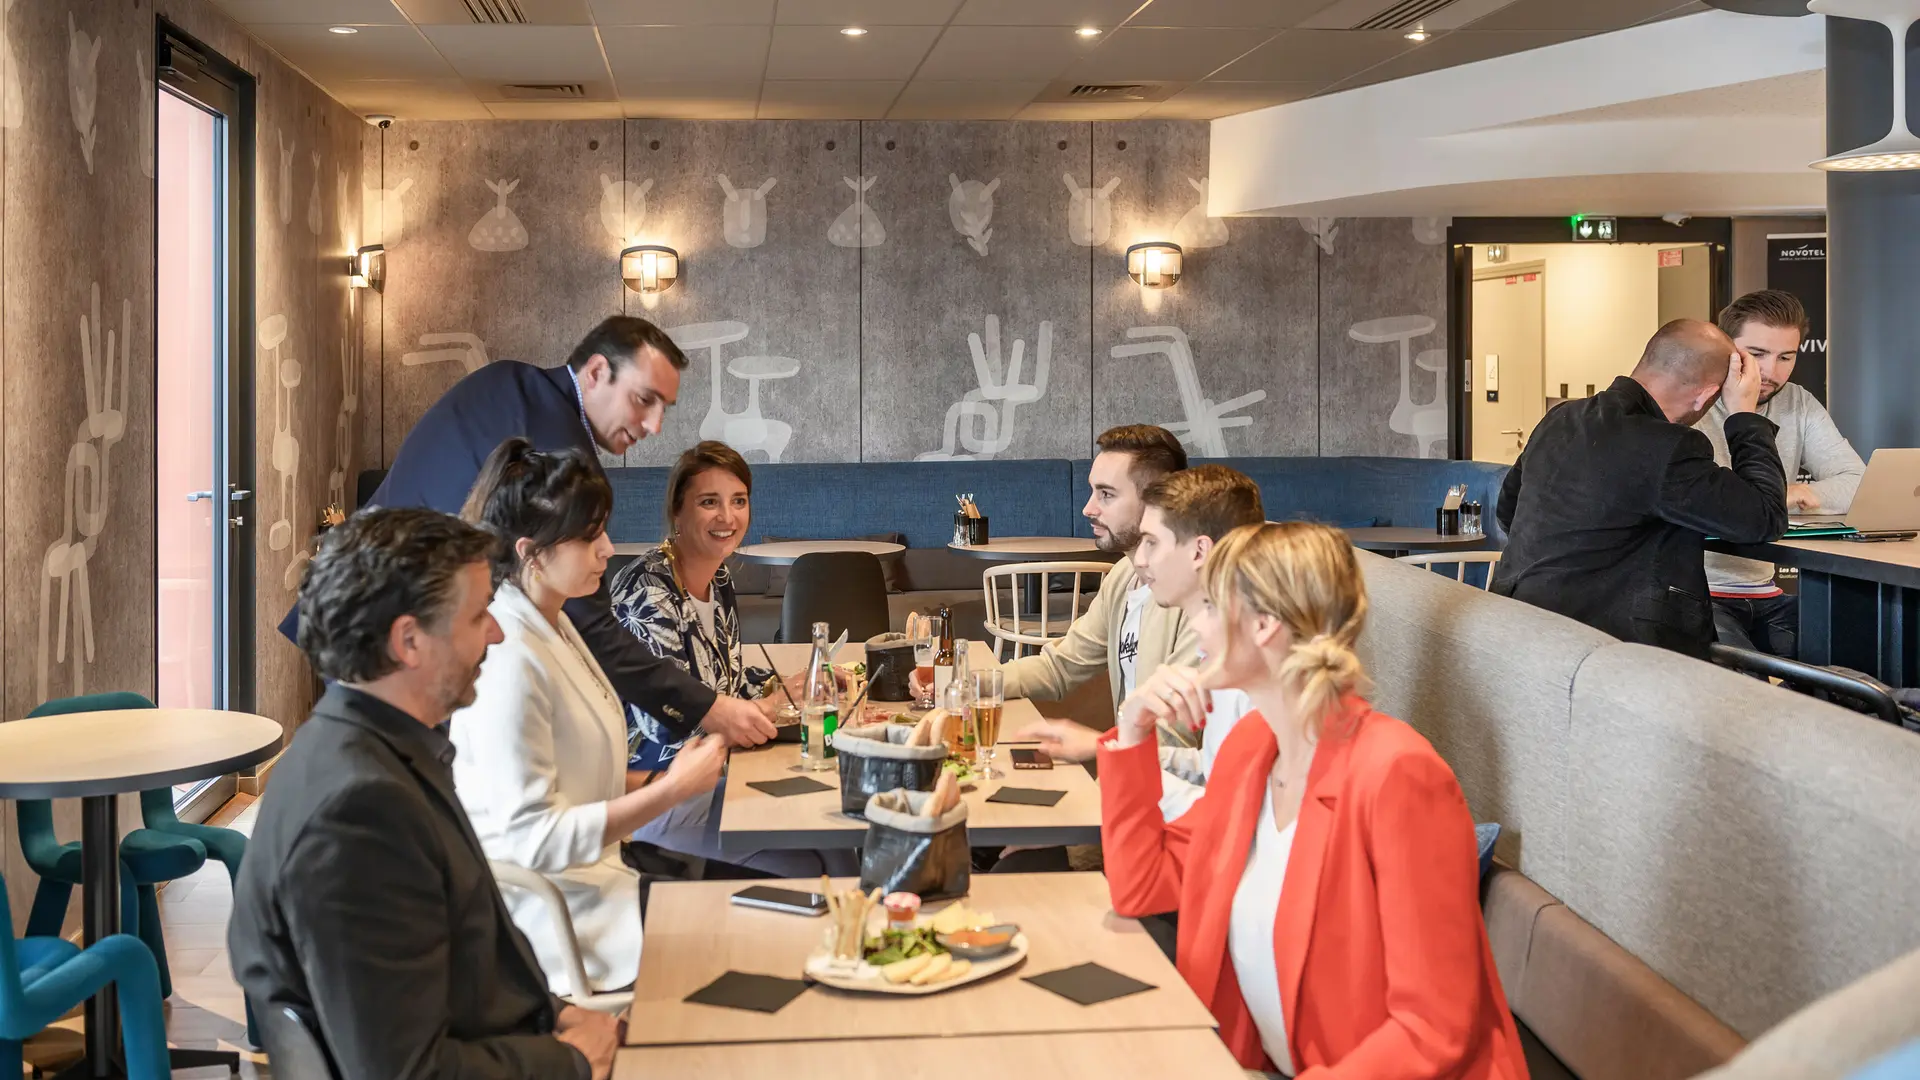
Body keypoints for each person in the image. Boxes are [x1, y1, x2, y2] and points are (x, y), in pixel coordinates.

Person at [1098, 522, 1527, 1077]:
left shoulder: (1397, 773)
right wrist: (1133, 730)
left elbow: (1432, 1030)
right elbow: (1142, 887)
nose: (1195, 625)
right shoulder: (1250, 751)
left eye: (1208, 606)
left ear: (1264, 625)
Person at [230, 507, 622, 1080]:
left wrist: (562, 1014)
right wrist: (572, 1060)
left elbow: (482, 956)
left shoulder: (368, 743)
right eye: (479, 615)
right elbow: (407, 1071)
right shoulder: (358, 813)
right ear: (409, 641)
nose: (497, 633)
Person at [276, 315, 777, 751]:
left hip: (356, 602)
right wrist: (708, 708)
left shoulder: (506, 381)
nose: (654, 425)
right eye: (644, 400)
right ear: (596, 372)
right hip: (405, 638)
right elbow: (590, 620)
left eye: (664, 406)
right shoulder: (561, 452)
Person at [449, 439, 729, 995]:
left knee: (788, 901)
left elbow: (578, 775)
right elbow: (537, 839)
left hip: (607, 874)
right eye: (588, 536)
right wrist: (672, 790)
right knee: (767, 925)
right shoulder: (509, 658)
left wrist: (680, 780)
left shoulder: (553, 622)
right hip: (563, 916)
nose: (607, 549)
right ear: (531, 553)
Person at [609, 441, 852, 876]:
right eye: (709, 502)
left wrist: (785, 686)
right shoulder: (648, 591)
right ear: (677, 511)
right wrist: (767, 707)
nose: (727, 517)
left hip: (716, 771)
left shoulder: (718, 578)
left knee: (836, 841)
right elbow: (667, 724)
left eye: (738, 501)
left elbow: (724, 680)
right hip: (654, 792)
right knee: (813, 860)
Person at [1493, 319, 1788, 658]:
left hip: (1518, 629)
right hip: (1612, 653)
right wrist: (1744, 415)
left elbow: (1508, 510)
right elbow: (1765, 517)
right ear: (1706, 396)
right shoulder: (1670, 446)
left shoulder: (1560, 418)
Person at [1021, 464, 1265, 821]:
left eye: (1151, 542)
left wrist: (1121, 766)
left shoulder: (1251, 661)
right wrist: (1109, 748)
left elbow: (1233, 810)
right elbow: (1213, 766)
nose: (1139, 559)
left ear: (1199, 551)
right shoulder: (1223, 640)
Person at [911, 423, 1197, 710]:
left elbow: (1177, 728)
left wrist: (1085, 738)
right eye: (1092, 491)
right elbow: (1059, 667)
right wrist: (963, 684)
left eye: (1106, 494)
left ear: (1158, 501)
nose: (1088, 509)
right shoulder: (1123, 578)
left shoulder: (1195, 595)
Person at [1695, 290, 1864, 658]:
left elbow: (1857, 483)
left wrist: (1793, 494)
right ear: (1726, 347)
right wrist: (1765, 500)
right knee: (1741, 684)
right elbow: (1711, 504)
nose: (1771, 372)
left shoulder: (1798, 401)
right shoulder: (1693, 401)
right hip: (1699, 592)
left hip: (1766, 591)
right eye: (1757, 354)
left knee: (1855, 656)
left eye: (1786, 356)